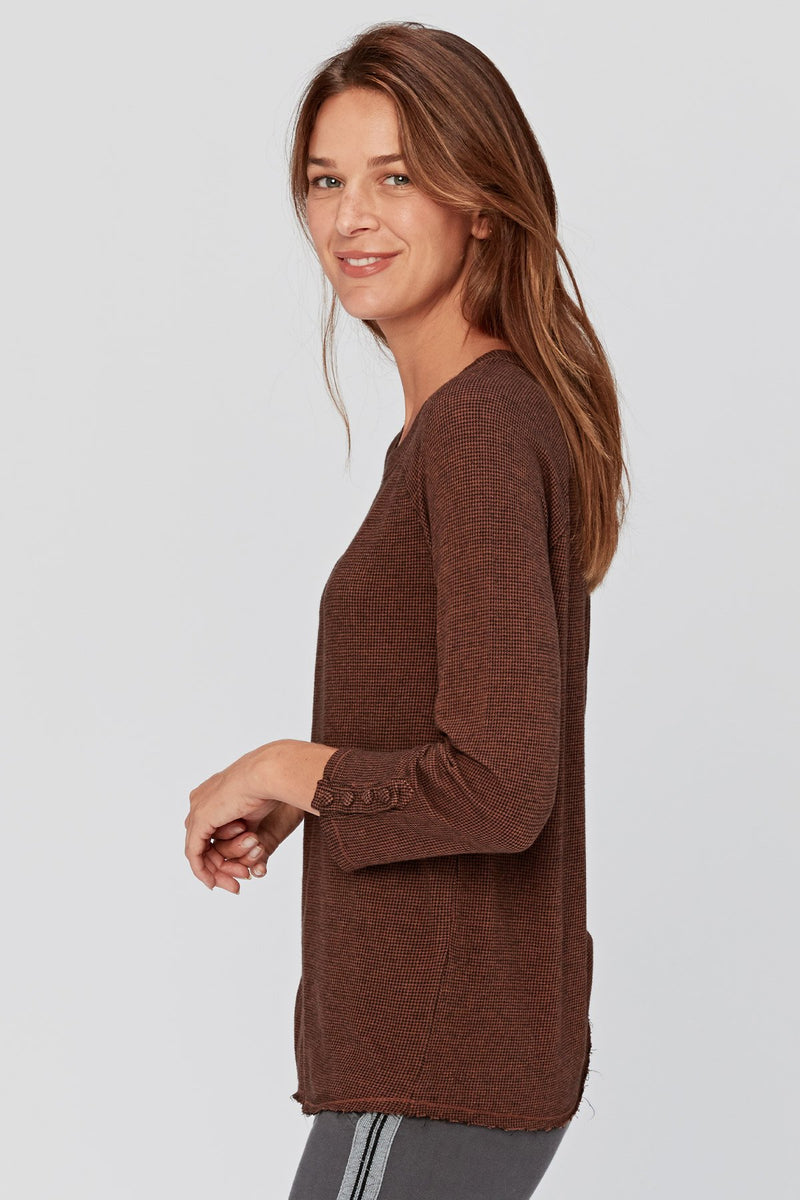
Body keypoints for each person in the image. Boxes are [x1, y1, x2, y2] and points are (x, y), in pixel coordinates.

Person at [184, 20, 629, 1199]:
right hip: (439, 1049)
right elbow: (468, 746)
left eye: (395, 177)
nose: (351, 218)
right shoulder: (466, 425)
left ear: (477, 203)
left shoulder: (477, 430)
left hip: (436, 1055)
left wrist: (285, 766)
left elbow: (499, 785)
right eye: (325, 181)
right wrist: (317, 794)